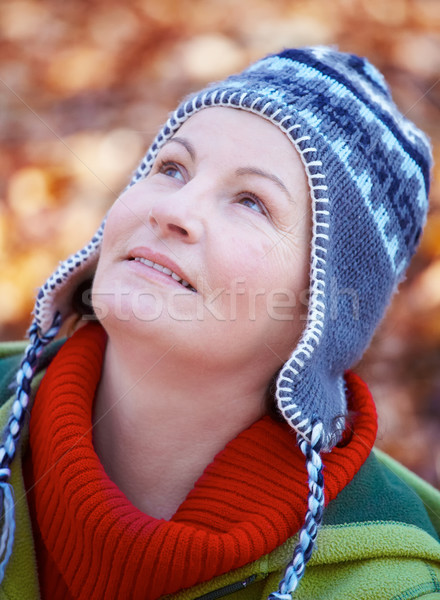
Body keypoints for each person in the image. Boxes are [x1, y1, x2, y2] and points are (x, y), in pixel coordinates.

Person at [0, 46, 439, 600]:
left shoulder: (386, 588)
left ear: (323, 310)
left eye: (252, 202)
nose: (174, 211)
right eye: (171, 168)